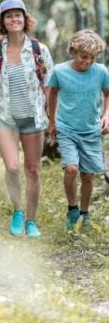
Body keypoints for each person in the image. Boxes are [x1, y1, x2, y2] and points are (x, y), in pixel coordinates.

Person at [0, 0, 53, 237]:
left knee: (32, 170)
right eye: (8, 16)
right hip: (6, 119)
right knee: (12, 167)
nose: (14, 19)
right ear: (2, 22)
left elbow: (49, 85)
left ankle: (31, 221)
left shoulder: (39, 50)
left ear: (25, 19)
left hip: (34, 119)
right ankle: (18, 211)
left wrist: (51, 117)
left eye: (18, 15)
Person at [47, 29, 109, 231]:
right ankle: (72, 208)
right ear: (73, 51)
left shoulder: (101, 71)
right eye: (84, 57)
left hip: (91, 130)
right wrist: (52, 121)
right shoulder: (59, 71)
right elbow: (53, 94)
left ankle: (85, 213)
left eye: (92, 58)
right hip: (66, 128)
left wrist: (107, 115)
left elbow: (108, 94)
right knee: (72, 168)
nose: (87, 62)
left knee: (88, 176)